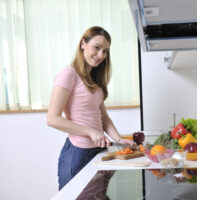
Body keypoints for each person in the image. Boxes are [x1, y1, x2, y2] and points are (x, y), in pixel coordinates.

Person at [47, 26, 133, 190]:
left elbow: (103, 117)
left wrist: (119, 139)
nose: (101, 55)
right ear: (83, 44)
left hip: (98, 151)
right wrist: (91, 131)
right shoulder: (68, 74)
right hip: (78, 153)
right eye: (97, 47)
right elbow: (52, 119)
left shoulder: (94, 79)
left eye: (105, 51)